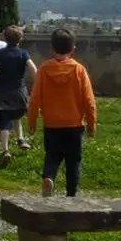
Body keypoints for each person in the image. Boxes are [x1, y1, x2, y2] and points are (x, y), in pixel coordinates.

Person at [27, 28, 98, 198]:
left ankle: (48, 178)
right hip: (74, 125)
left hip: (52, 124)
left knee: (52, 156)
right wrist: (91, 124)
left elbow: (35, 98)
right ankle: (72, 193)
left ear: (51, 48)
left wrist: (31, 122)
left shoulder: (43, 70)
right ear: (73, 49)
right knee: (73, 161)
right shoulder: (79, 70)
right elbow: (89, 99)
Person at [0, 25, 38, 163]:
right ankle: (21, 140)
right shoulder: (23, 53)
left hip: (3, 91)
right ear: (20, 39)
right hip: (19, 90)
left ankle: (5, 150)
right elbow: (33, 69)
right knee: (17, 115)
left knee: (4, 119)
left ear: (4, 38)